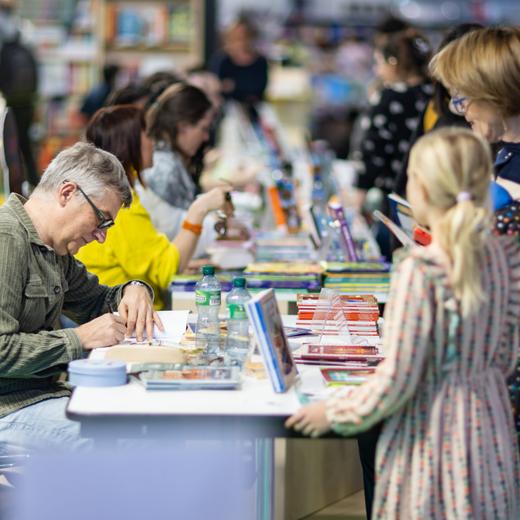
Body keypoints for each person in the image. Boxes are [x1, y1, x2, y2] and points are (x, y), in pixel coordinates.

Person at [286, 128, 520, 519]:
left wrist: (334, 412)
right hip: (490, 431)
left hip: (433, 437)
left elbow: (398, 379)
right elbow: (509, 354)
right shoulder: (503, 259)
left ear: (422, 189)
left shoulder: (421, 270)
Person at [0, 142, 160, 451]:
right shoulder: (7, 238)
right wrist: (80, 338)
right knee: (120, 441)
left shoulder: (54, 251)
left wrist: (135, 289)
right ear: (67, 192)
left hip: (43, 394)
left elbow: (97, 301)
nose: (101, 236)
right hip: (9, 407)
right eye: (101, 219)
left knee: (139, 419)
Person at [76, 105, 231, 309]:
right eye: (148, 135)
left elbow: (149, 260)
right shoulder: (119, 203)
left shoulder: (112, 193)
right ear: (131, 143)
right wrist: (199, 209)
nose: (154, 143)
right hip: (121, 316)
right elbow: (166, 269)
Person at [140, 83, 216, 240]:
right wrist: (219, 226)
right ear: (183, 127)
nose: (206, 137)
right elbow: (174, 234)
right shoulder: (164, 169)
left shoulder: (168, 160)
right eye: (203, 128)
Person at [210, 17, 268, 104]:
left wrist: (233, 85)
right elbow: (215, 85)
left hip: (253, 105)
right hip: (225, 106)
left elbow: (260, 87)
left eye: (245, 36)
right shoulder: (221, 59)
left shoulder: (260, 61)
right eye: (237, 37)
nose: (242, 41)